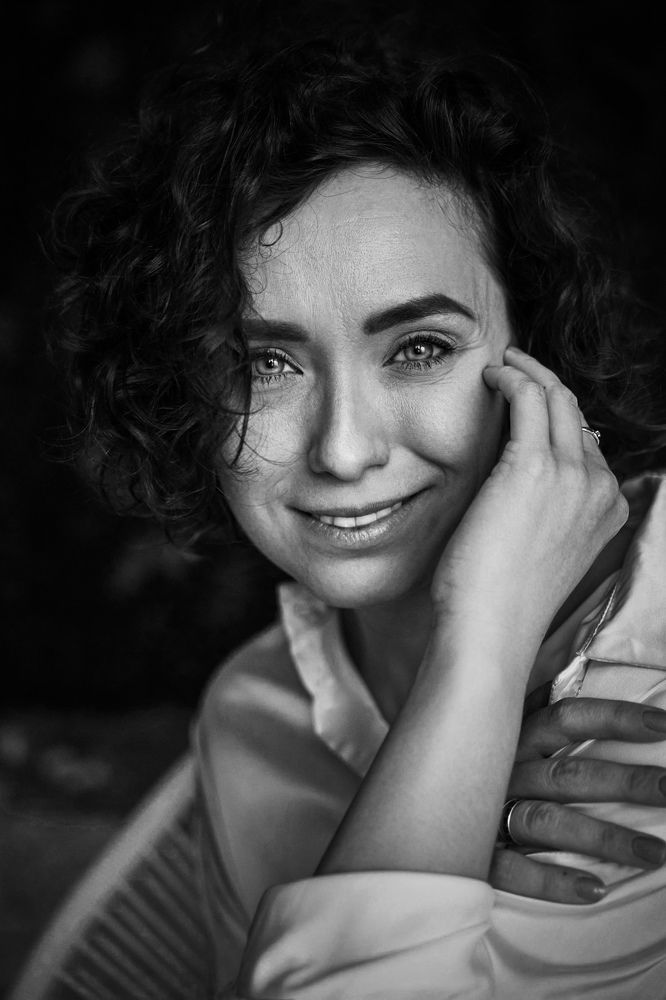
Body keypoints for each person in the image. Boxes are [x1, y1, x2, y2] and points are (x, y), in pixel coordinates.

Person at [50, 25, 666, 999]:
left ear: (535, 345)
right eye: (263, 363)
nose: (343, 449)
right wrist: (473, 691)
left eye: (419, 348)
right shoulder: (254, 718)